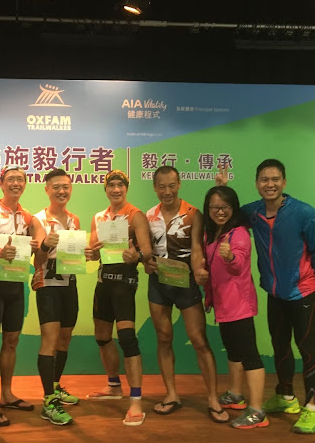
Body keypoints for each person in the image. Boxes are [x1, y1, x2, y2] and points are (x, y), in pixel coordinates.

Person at [217, 159, 315, 434]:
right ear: (257, 183)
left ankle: (313, 409)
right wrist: (223, 189)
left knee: (307, 349)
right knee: (280, 345)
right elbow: (228, 214)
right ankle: (285, 396)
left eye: (275, 179)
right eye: (264, 180)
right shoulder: (253, 212)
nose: (269, 184)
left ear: (284, 182)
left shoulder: (305, 213)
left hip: (302, 291)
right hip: (274, 291)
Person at [144, 166, 228, 423]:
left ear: (179, 184)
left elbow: (196, 248)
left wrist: (199, 270)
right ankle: (171, 394)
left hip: (186, 282)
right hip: (158, 284)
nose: (167, 191)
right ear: (154, 188)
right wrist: (146, 263)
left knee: (199, 340)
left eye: (171, 185)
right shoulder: (148, 215)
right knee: (163, 338)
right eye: (161, 186)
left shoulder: (193, 214)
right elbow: (146, 251)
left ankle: (213, 398)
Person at [195, 186, 268, 429]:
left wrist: (229, 257)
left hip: (239, 305)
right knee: (233, 351)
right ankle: (236, 395)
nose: (220, 211)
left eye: (225, 207)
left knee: (249, 354)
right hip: (223, 304)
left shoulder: (239, 234)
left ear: (233, 209)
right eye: (214, 207)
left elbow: (238, 265)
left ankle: (257, 411)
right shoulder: (212, 232)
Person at [85, 170, 152, 427]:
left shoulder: (136, 215)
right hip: (103, 283)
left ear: (126, 188)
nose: (116, 189)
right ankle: (114, 385)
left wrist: (137, 256)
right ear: (105, 189)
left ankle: (136, 400)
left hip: (125, 284)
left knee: (127, 339)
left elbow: (146, 251)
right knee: (102, 337)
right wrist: (90, 252)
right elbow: (93, 253)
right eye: (111, 185)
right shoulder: (98, 217)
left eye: (120, 185)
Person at [0, 165, 40, 427]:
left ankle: (6, 394)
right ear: (1, 183)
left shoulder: (27, 216)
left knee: (12, 341)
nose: (16, 183)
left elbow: (41, 239)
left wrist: (38, 246)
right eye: (11, 179)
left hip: (15, 283)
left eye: (20, 179)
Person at [32, 169, 80, 426]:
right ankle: (48, 401)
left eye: (66, 187)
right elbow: (37, 260)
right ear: (47, 190)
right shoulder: (39, 219)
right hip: (48, 283)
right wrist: (45, 245)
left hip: (69, 283)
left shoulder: (74, 220)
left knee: (65, 337)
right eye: (56, 187)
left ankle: (56, 385)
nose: (62, 191)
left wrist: (88, 253)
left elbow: (75, 257)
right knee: (49, 340)